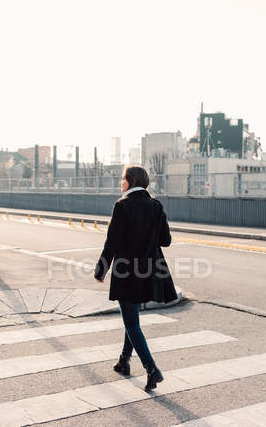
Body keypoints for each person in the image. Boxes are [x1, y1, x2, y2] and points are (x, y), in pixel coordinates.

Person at [94, 164, 177, 392]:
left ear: (130, 181)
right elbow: (166, 241)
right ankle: (123, 361)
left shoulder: (122, 206)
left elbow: (112, 242)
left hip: (126, 272)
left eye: (122, 179)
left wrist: (101, 270)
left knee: (131, 322)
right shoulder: (155, 205)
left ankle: (152, 369)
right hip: (150, 272)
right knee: (132, 321)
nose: (121, 183)